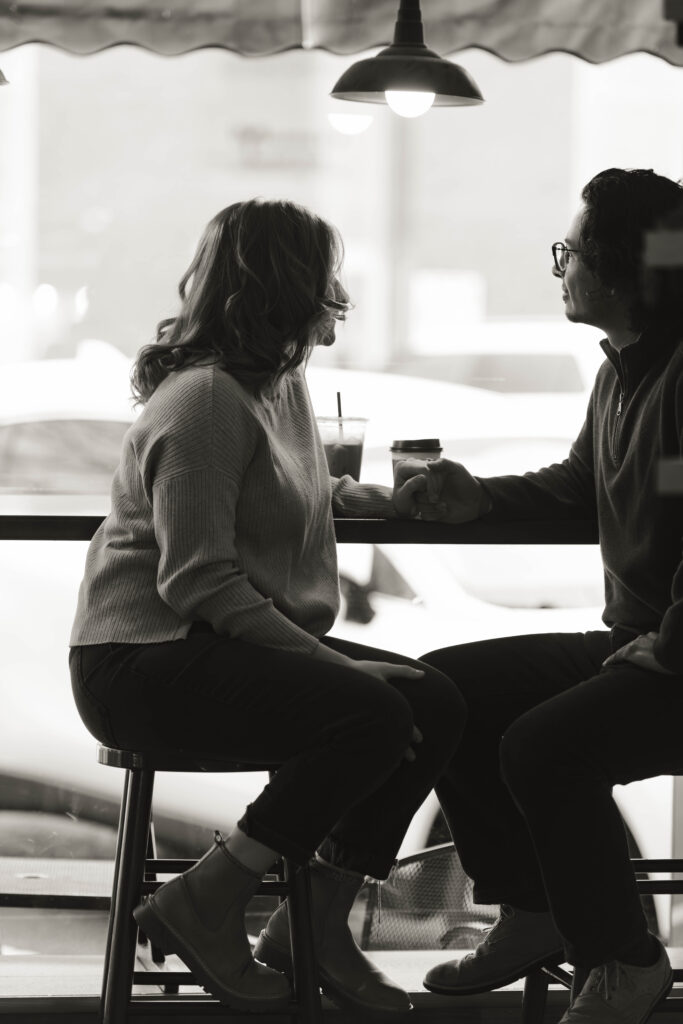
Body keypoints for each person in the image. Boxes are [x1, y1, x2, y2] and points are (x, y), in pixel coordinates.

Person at [68, 198, 465, 1014]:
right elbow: (199, 580)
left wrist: (377, 499)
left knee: (437, 702)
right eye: (325, 279)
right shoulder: (204, 401)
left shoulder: (275, 386)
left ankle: (309, 921)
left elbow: (283, 490)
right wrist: (335, 662)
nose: (337, 296)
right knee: (374, 711)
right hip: (142, 660)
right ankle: (205, 900)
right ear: (285, 289)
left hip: (206, 646)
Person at [397, 168, 683, 1024]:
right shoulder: (623, 371)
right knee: (444, 688)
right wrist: (474, 496)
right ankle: (531, 909)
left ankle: (624, 959)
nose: (559, 268)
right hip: (641, 644)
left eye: (569, 251)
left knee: (541, 748)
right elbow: (573, 484)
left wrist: (668, 646)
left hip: (670, 654)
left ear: (617, 267)